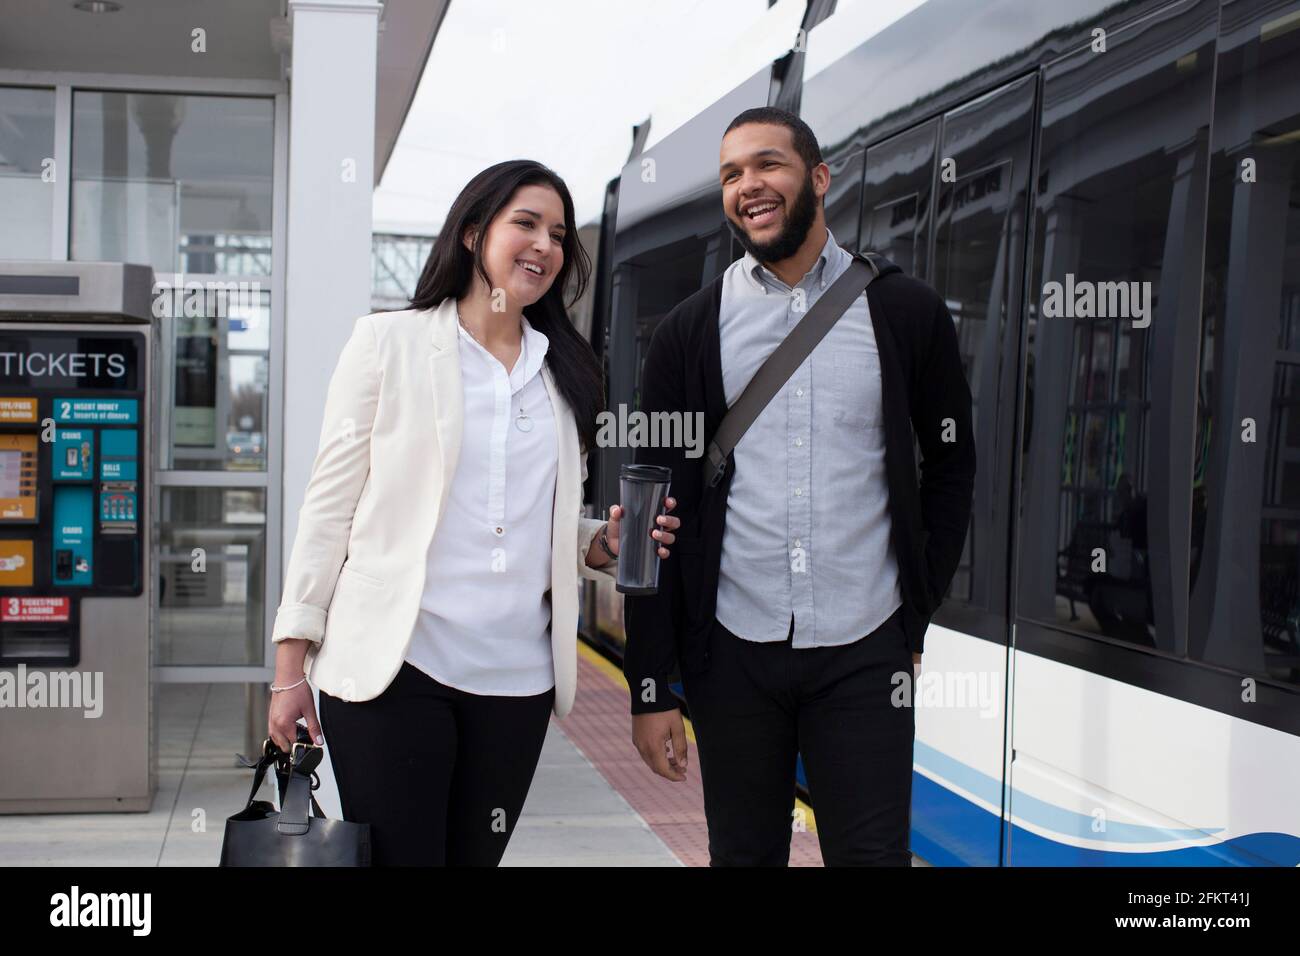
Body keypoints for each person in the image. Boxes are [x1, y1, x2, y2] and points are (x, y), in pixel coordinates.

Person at [268, 159, 680, 866]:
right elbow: (327, 510)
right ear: (471, 234)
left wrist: (599, 545)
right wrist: (289, 667)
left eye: (557, 232)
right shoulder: (387, 345)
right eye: (525, 223)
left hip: (516, 683)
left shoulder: (566, 371)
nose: (545, 245)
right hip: (395, 672)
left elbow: (537, 517)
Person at [624, 107, 975, 866]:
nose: (748, 185)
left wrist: (914, 612)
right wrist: (651, 686)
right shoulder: (689, 331)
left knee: (873, 857)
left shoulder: (906, 312)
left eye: (768, 165)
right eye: (731, 174)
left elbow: (952, 464)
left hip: (864, 647)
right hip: (733, 651)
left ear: (818, 178)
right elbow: (649, 509)